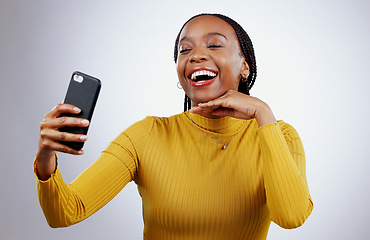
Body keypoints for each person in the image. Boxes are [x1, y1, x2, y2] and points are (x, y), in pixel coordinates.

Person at [34, 13, 313, 240]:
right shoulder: (146, 136)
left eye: (214, 45)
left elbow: (290, 217)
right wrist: (46, 156)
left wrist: (263, 114)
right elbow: (65, 213)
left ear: (245, 68)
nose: (196, 56)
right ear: (180, 74)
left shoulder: (279, 136)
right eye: (185, 50)